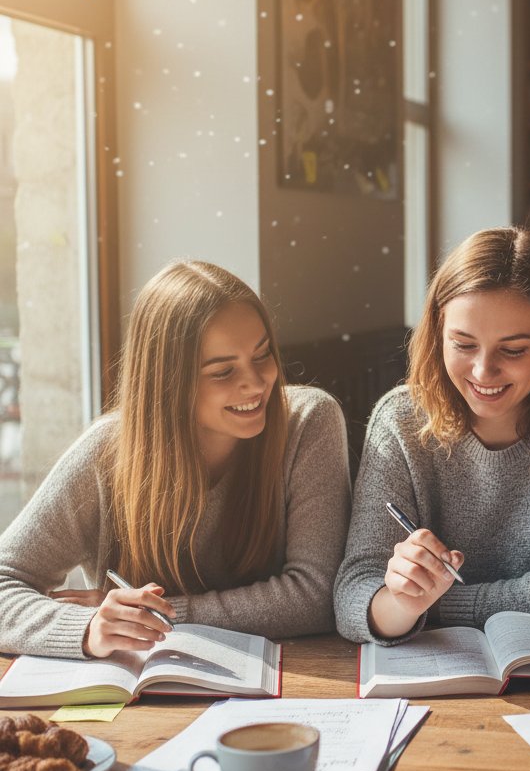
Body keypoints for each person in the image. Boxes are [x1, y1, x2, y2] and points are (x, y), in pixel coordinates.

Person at [0, 261, 351, 659]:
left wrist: (156, 617)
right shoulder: (105, 453)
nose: (255, 383)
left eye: (263, 354)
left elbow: (316, 595)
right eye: (222, 371)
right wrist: (90, 628)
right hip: (143, 695)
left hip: (294, 680)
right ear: (167, 381)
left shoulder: (309, 422)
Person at [335, 227, 530, 644]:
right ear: (438, 332)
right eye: (463, 344)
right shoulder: (400, 417)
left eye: (513, 350)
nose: (482, 372)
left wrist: (434, 604)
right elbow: (353, 594)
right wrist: (401, 603)